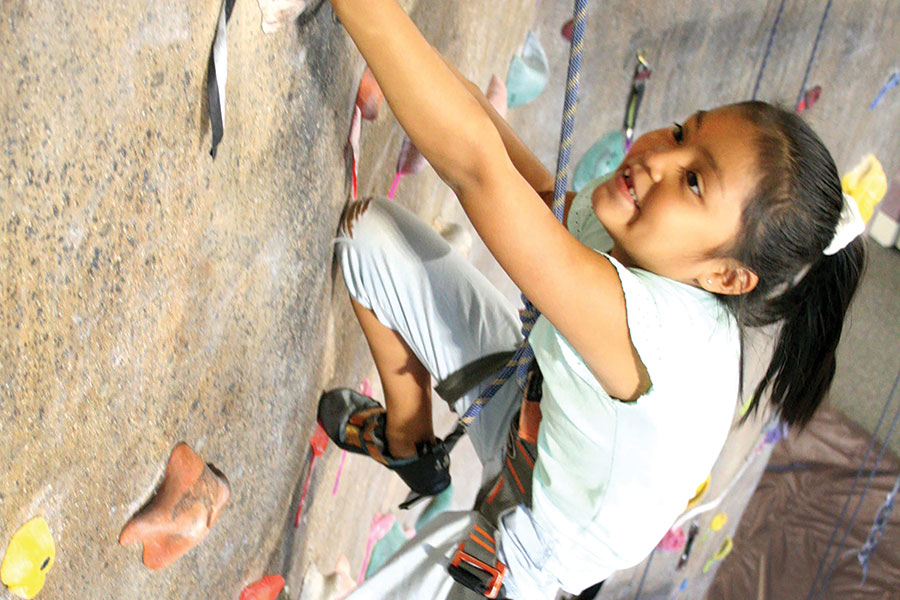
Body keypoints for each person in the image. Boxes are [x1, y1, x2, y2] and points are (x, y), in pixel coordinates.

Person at [315, 1, 867, 597]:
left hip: (525, 557)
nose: (659, 157)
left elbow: (477, 171)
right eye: (683, 132)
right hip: (537, 423)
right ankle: (407, 443)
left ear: (729, 277)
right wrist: (404, 44)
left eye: (694, 181)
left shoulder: (658, 335)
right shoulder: (649, 236)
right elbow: (524, 178)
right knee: (368, 237)